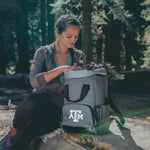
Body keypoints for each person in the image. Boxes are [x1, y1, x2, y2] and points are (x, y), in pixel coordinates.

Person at [3, 15, 86, 150]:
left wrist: (89, 74)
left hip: (59, 109)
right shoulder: (43, 53)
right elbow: (33, 81)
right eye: (69, 36)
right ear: (58, 33)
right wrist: (60, 70)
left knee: (30, 131)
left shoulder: (79, 56)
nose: (73, 40)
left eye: (76, 36)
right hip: (38, 103)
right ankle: (13, 133)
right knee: (31, 100)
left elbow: (80, 88)